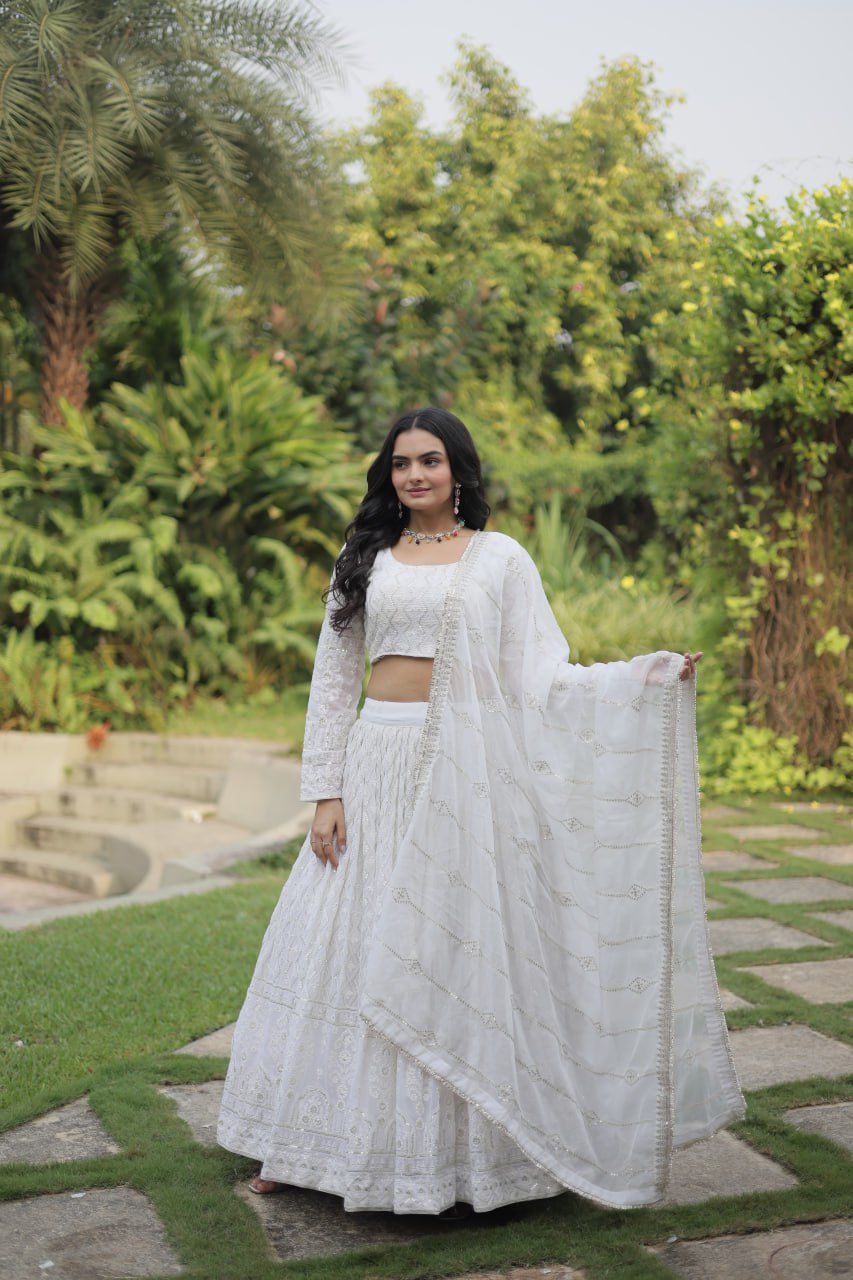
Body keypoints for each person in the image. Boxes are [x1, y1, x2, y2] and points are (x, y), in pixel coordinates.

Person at [215, 406, 745, 1216]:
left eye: (430, 461)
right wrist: (323, 789)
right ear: (387, 475)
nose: (415, 475)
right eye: (401, 464)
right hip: (375, 765)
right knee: (346, 941)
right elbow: (333, 677)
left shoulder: (499, 559)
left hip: (464, 773)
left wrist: (639, 679)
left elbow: (541, 673)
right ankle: (302, 1143)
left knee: (453, 942)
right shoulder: (364, 556)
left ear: (457, 469)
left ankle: (475, 1161)